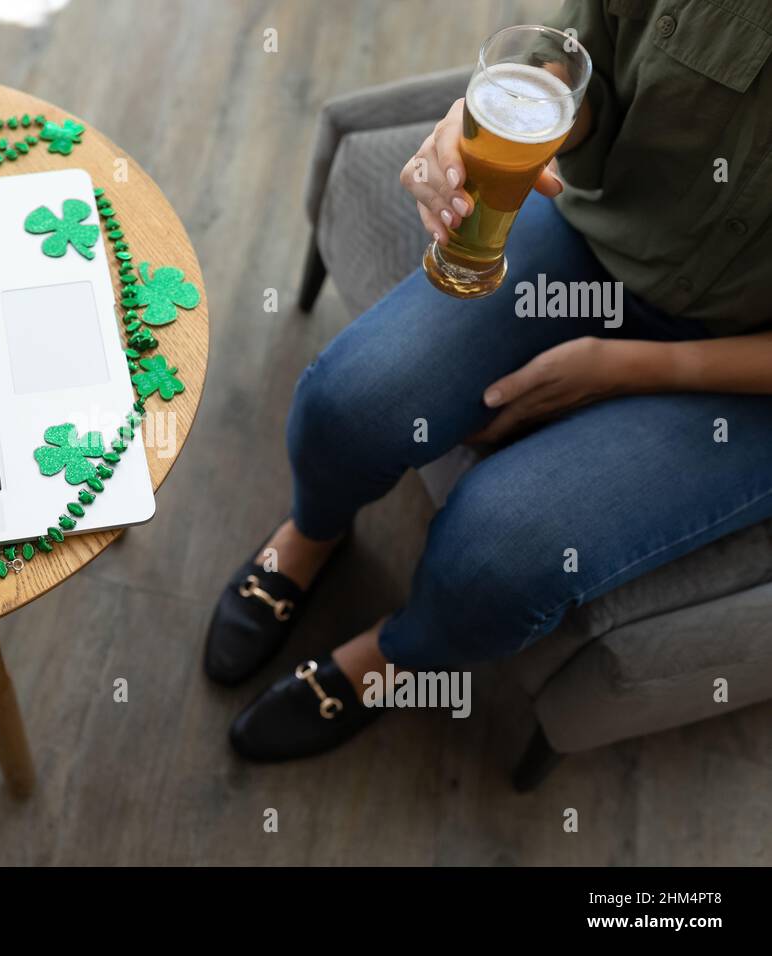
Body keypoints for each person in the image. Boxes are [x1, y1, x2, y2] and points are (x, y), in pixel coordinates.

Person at [204, 0, 772, 761]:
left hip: (751, 384)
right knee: (350, 404)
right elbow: (583, 69)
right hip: (605, 239)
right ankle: (311, 535)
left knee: (496, 565)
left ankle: (395, 658)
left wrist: (626, 369)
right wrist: (497, 129)